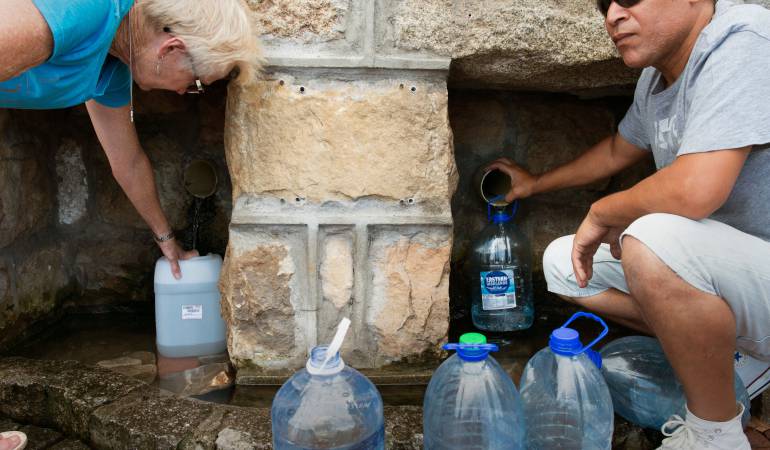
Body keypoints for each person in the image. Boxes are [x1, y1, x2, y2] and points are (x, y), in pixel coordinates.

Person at [488, 0, 770, 448]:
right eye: (604, 4)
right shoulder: (656, 78)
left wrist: (604, 212)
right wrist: (535, 183)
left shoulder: (744, 39)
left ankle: (716, 436)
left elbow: (698, 188)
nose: (612, 15)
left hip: (760, 270)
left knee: (652, 237)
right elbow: (619, 151)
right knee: (564, 264)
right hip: (725, 276)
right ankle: (730, 352)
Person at [0, 0, 260, 447]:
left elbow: (128, 161)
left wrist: (167, 241)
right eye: (197, 83)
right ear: (170, 48)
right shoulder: (84, 11)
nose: (186, 93)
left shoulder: (109, 67)